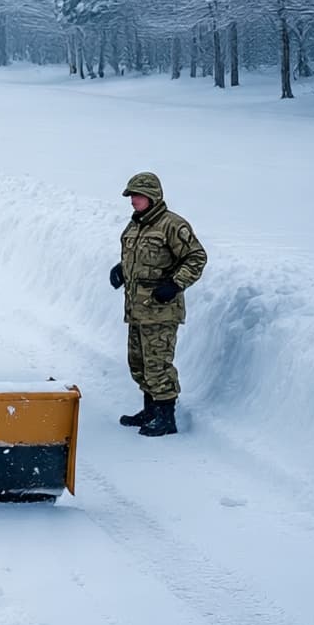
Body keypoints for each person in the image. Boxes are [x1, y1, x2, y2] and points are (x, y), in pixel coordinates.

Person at [109, 171, 207, 437]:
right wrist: (121, 269)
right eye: (131, 195)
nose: (132, 201)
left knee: (157, 364)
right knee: (138, 364)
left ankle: (166, 418)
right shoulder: (135, 225)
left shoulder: (172, 225)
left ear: (152, 197)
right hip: (136, 310)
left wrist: (175, 284)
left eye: (137, 195)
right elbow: (142, 260)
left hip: (161, 311)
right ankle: (150, 410)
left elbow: (196, 257)